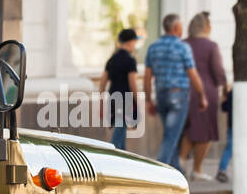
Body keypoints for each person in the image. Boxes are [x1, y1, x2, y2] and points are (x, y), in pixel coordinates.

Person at [144, 13, 207, 171]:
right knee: (171, 136)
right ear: (176, 28)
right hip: (178, 96)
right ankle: (158, 172)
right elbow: (193, 74)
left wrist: (148, 100)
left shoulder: (153, 47)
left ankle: (178, 171)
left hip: (161, 96)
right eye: (181, 27)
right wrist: (202, 95)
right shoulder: (183, 47)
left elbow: (147, 77)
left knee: (170, 134)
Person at [181, 12, 228, 181]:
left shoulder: (183, 43)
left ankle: (181, 164)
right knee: (204, 133)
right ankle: (197, 169)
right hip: (206, 93)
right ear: (206, 27)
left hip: (184, 91)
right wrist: (225, 87)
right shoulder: (211, 46)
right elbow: (218, 71)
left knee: (188, 130)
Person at [98, 28, 139, 150]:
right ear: (130, 42)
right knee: (118, 136)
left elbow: (102, 84)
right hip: (126, 101)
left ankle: (123, 163)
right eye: (134, 42)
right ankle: (110, 157)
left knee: (121, 132)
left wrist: (101, 105)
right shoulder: (130, 61)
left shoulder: (112, 60)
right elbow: (133, 84)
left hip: (113, 100)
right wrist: (137, 103)